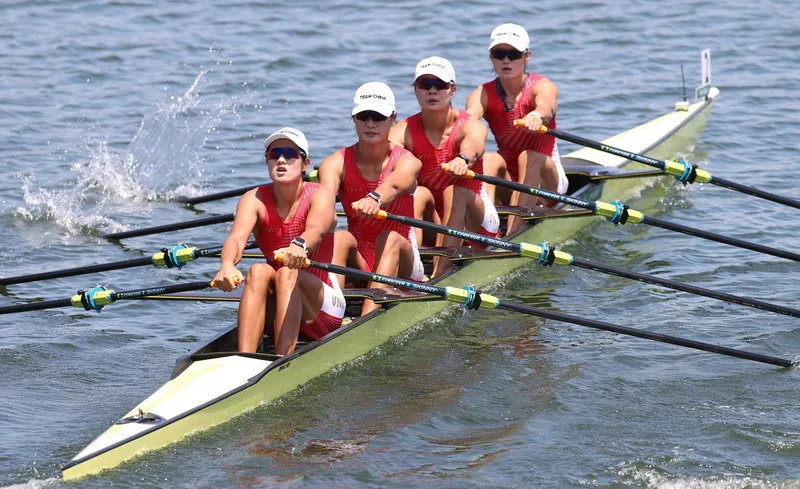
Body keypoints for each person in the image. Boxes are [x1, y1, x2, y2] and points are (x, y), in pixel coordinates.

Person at [213, 127, 348, 356]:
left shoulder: (320, 194)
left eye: (290, 153)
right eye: (274, 155)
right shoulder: (253, 199)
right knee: (257, 270)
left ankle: (281, 360)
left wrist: (300, 245)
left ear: (305, 164)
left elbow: (316, 229)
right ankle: (244, 359)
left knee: (287, 272)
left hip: (323, 310)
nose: (281, 160)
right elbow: (236, 239)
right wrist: (226, 265)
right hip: (280, 305)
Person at [319, 82, 425, 315]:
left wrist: (375, 198)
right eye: (362, 116)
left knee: (389, 238)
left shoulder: (407, 161)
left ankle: (364, 321)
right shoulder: (334, 164)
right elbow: (323, 203)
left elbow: (396, 183)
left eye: (378, 116)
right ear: (353, 118)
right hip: (360, 260)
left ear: (393, 118)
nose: (370, 123)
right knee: (339, 237)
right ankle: (329, 315)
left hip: (404, 261)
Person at [390, 56, 500, 277]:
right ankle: (413, 273)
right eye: (424, 85)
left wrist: (463, 159)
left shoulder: (470, 125)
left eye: (439, 85)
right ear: (416, 90)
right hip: (435, 221)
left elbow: (475, 144)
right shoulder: (402, 130)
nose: (432, 91)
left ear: (452, 90)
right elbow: (386, 157)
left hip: (476, 220)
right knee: (417, 193)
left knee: (454, 192)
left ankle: (439, 274)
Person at [466, 23, 569, 234]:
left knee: (528, 157)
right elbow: (467, 122)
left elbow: (546, 106)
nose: (506, 60)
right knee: (489, 159)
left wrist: (536, 115)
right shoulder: (482, 93)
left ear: (527, 56)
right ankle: (486, 233)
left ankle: (511, 236)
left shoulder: (542, 86)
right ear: (491, 58)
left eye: (513, 54)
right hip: (510, 180)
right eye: (499, 54)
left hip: (547, 181)